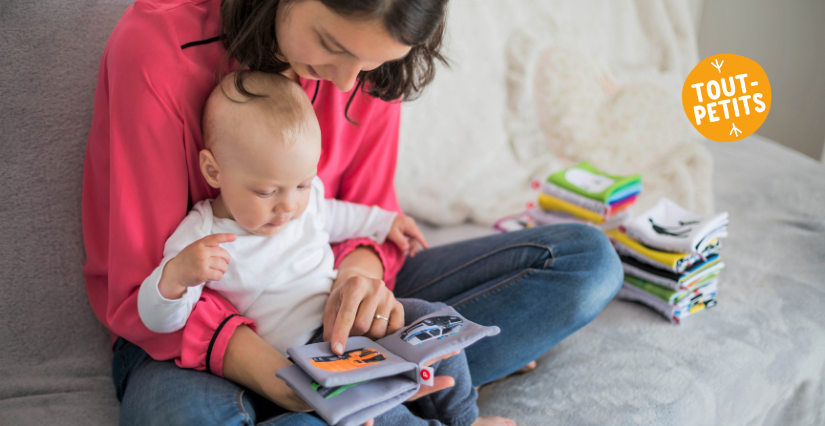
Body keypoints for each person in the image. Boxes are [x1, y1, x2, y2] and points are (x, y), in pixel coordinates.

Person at [83, 0, 624, 424]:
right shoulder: (156, 49)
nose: (345, 83)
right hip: (187, 335)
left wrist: (359, 286)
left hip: (324, 301)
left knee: (586, 264)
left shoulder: (367, 66)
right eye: (330, 44)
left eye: (375, 62)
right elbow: (143, 289)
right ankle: (370, 397)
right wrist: (281, 377)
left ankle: (371, 392)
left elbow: (366, 213)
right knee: (179, 417)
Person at [136, 71, 511, 425]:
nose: (288, 206)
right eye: (266, 192)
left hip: (350, 317)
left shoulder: (302, 198)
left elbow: (334, 215)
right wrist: (175, 278)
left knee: (436, 320)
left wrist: (384, 223)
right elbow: (160, 321)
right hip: (306, 354)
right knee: (371, 403)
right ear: (214, 171)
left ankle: (465, 418)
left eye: (302, 185)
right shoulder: (201, 235)